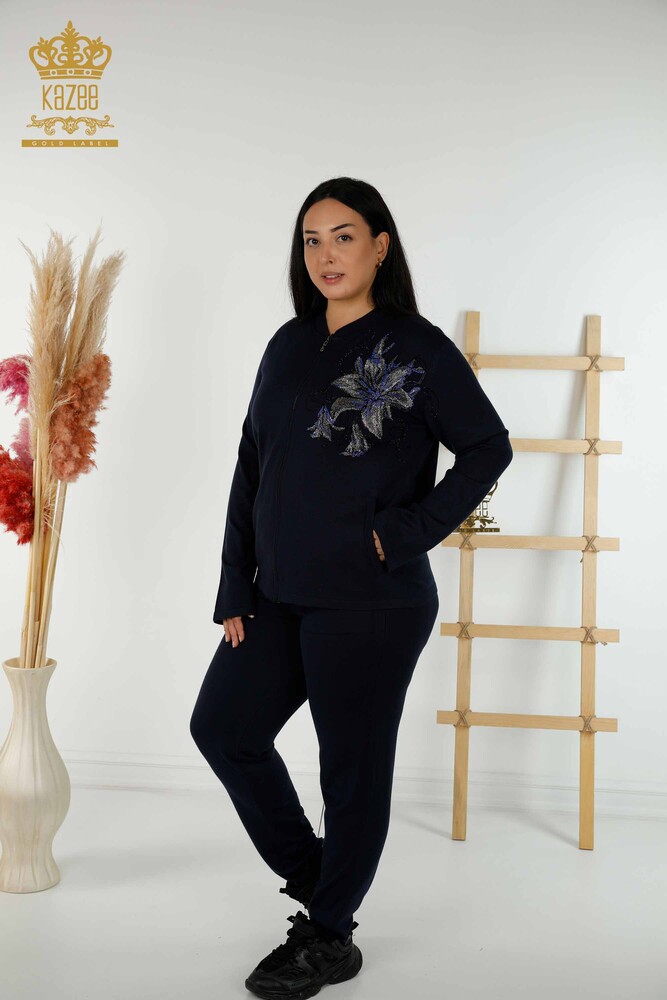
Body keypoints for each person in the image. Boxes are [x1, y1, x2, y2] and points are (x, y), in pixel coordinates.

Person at [190, 176, 513, 998]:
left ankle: (328, 936)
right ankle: (322, 882)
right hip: (277, 593)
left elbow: (487, 447)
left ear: (379, 246)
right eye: (311, 240)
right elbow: (252, 462)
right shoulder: (288, 343)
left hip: (371, 601)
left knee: (350, 772)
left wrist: (403, 531)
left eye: (343, 236)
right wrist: (235, 584)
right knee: (223, 728)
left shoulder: (417, 346)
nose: (325, 254)